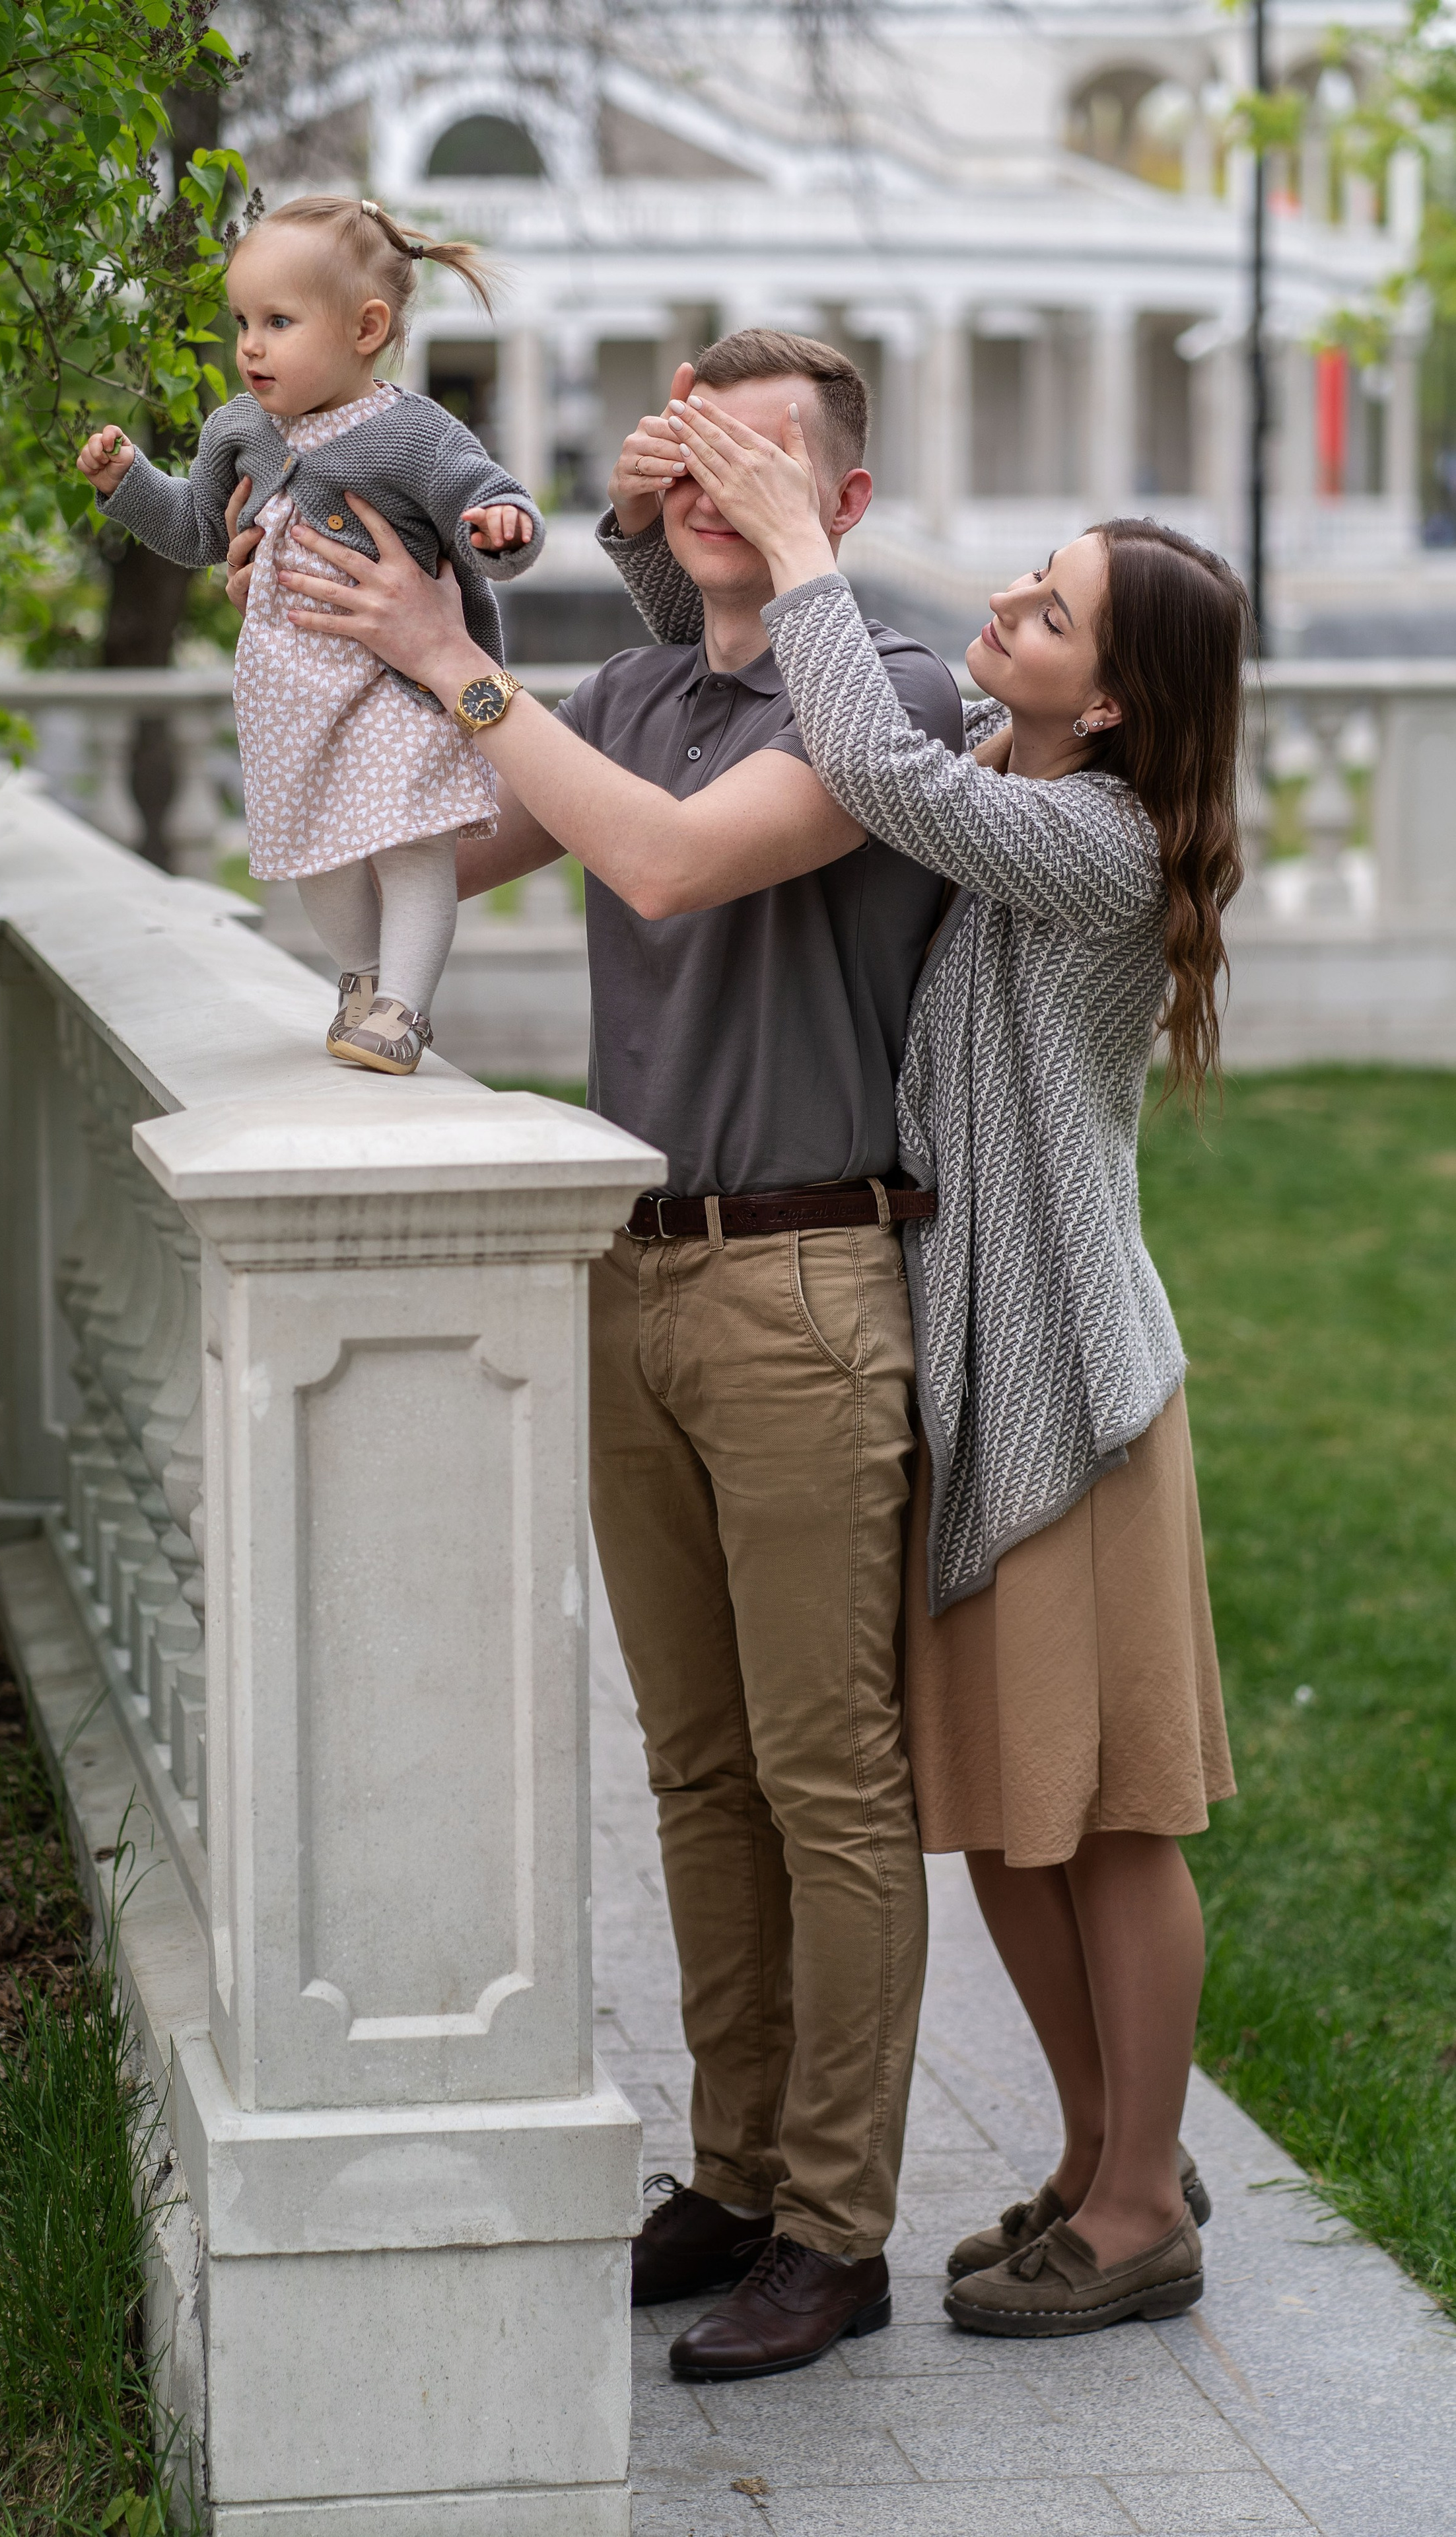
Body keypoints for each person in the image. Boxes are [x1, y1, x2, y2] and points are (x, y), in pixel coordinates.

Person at [236, 328, 965, 2381]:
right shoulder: (638, 689)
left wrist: (453, 663)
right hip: (632, 1276)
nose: (714, 474)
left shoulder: (888, 693)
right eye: (689, 441)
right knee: (696, 1765)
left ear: (849, 505)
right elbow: (377, 894)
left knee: (830, 1780)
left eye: (765, 449)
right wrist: (314, 665)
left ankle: (838, 2222)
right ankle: (735, 2178)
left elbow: (660, 857)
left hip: (812, 1292)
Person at [644, 385, 1241, 2340]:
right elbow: (779, 698)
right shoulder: (1010, 762)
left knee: (1115, 1818)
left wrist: (806, 541)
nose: (1008, 604)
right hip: (978, 1397)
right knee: (1003, 1816)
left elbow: (883, 779)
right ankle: (1093, 2157)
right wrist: (684, 531)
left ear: (1122, 702)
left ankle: (1142, 2197)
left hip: (1070, 1400)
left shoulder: (1085, 833)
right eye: (1028, 577)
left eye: (1054, 609)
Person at [75, 195, 543, 1075]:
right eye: (243, 320)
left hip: (399, 686)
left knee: (412, 847)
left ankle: (404, 1007)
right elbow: (197, 532)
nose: (250, 344)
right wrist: (129, 480)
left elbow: (485, 493)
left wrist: (501, 526)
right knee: (315, 856)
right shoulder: (239, 430)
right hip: (292, 699)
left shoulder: (416, 435)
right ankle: (361, 979)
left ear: (367, 328)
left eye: (278, 321)